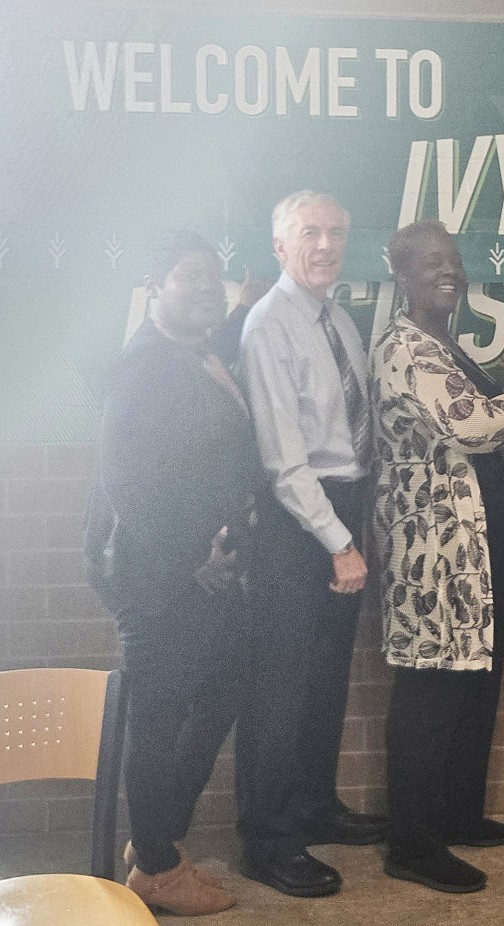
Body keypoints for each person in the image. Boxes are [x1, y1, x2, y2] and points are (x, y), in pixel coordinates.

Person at [372, 220, 504, 893]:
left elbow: (494, 410)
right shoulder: (407, 349)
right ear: (401, 277)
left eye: (455, 261)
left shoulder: (447, 346)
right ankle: (412, 842)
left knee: (472, 680)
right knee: (430, 692)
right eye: (433, 262)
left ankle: (456, 812)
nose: (449, 271)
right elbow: (478, 423)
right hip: (432, 556)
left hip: (474, 553)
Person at [85, 231, 262, 915]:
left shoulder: (194, 353)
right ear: (155, 285)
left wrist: (242, 309)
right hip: (160, 579)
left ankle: (157, 838)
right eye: (190, 278)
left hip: (201, 571)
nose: (207, 289)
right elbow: (131, 483)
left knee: (221, 689)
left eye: (214, 279)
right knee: (157, 718)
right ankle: (156, 865)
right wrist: (199, 557)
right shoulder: (144, 367)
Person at [236, 190, 381, 897]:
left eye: (336, 232)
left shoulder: (339, 321)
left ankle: (313, 809)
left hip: (343, 506)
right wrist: (337, 542)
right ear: (280, 246)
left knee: (325, 681)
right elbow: (282, 462)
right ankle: (268, 841)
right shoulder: (270, 326)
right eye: (309, 233)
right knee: (280, 692)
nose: (325, 245)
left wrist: (352, 527)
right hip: (301, 523)